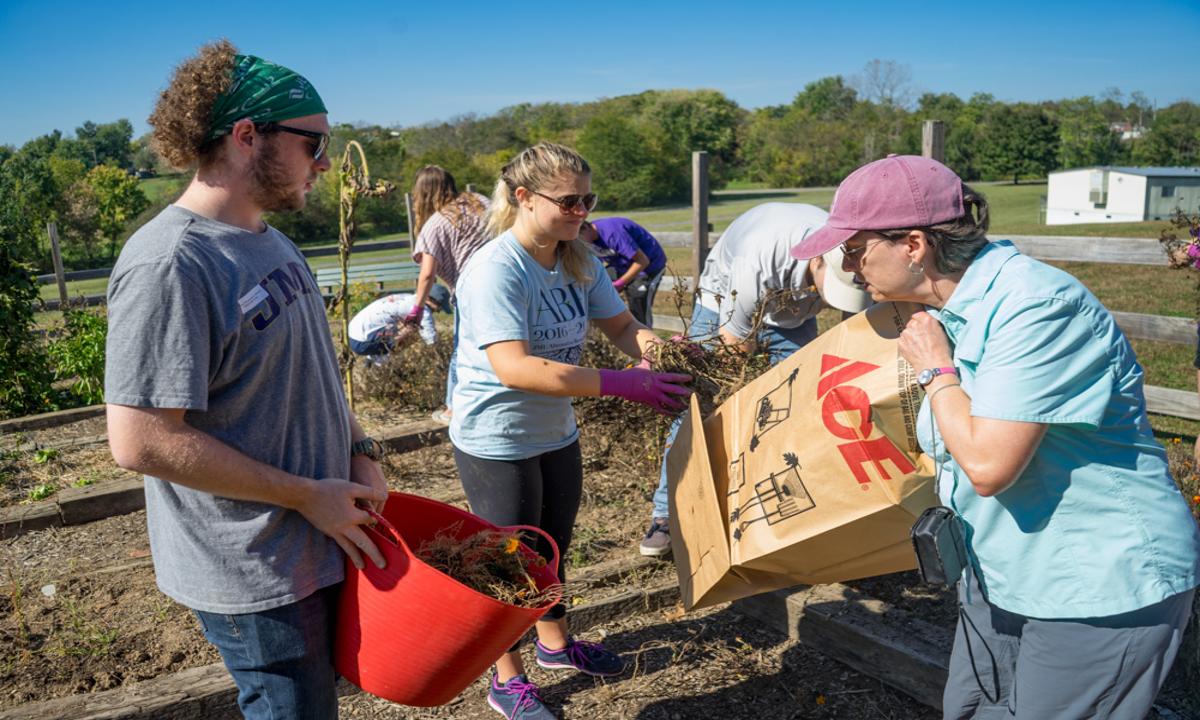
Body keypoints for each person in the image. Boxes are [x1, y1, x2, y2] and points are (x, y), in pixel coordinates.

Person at [790, 154, 1200, 719]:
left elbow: (987, 464)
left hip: (1094, 583)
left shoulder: (1036, 308)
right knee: (970, 707)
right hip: (1001, 570)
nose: (848, 266)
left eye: (855, 249)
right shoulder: (942, 310)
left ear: (914, 245)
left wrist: (938, 371)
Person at [103, 42, 389, 719]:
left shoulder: (267, 236)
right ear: (244, 136)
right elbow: (139, 441)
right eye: (314, 143)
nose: (325, 162)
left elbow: (310, 374)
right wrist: (305, 495)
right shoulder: (169, 264)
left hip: (313, 536)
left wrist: (359, 449)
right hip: (254, 568)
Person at [451, 142, 690, 719]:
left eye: (589, 199)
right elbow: (514, 366)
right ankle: (505, 681)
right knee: (509, 560)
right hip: (496, 436)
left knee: (554, 546)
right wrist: (621, 384)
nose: (581, 211)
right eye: (568, 201)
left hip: (554, 429)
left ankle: (555, 647)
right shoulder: (495, 269)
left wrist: (667, 357)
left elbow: (624, 325)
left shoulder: (576, 258)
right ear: (524, 197)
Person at [639, 202, 872, 557]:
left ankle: (781, 509)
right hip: (724, 300)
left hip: (793, 312)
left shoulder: (853, 254)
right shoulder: (759, 262)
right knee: (699, 405)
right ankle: (667, 515)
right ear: (817, 261)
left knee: (800, 407)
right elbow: (733, 357)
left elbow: (852, 328)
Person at [408, 166, 491, 424]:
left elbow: (427, 274)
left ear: (422, 195)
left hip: (473, 294)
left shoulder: (436, 224)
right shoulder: (482, 202)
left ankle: (453, 408)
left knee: (463, 350)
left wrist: (416, 310)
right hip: (511, 281)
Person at [579, 217, 668, 326]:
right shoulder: (591, 239)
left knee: (638, 306)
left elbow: (643, 261)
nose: (581, 243)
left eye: (580, 238)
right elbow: (597, 265)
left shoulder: (612, 233)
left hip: (648, 267)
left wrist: (619, 284)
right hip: (622, 265)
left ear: (586, 228)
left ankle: (646, 338)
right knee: (594, 287)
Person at [347, 284, 451, 362]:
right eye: (439, 307)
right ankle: (381, 364)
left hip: (354, 333)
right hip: (362, 342)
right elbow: (431, 340)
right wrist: (443, 360)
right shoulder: (423, 310)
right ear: (430, 299)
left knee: (404, 326)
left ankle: (375, 357)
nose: (438, 311)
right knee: (413, 330)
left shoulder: (407, 297)